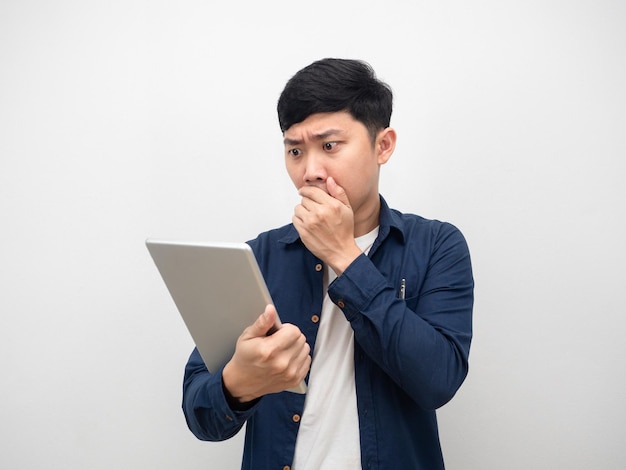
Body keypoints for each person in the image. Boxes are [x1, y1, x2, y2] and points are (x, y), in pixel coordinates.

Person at [182, 58, 474, 469]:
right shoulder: (259, 257)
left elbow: (438, 382)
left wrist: (343, 254)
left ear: (383, 145)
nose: (310, 171)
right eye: (296, 150)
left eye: (330, 145)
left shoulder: (436, 245)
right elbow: (201, 414)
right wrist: (237, 383)